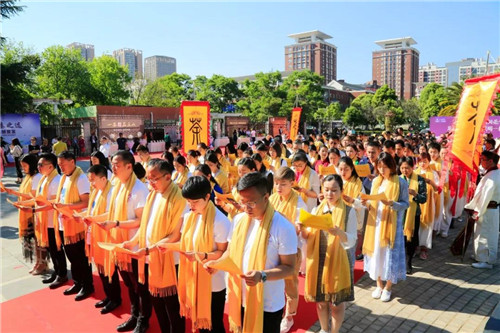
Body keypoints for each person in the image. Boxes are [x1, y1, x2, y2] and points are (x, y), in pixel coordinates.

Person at [204, 172, 297, 333]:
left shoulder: (282, 227)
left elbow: (289, 267)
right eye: (242, 202)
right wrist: (217, 265)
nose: (246, 208)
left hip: (268, 304)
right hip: (240, 297)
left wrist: (262, 275)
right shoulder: (239, 220)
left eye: (252, 203)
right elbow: (231, 253)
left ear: (266, 197)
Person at [123, 159, 187, 333]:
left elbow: (176, 235)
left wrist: (151, 249)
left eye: (154, 178)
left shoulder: (179, 199)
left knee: (172, 307)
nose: (150, 182)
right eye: (148, 179)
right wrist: (132, 242)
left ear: (168, 177)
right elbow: (145, 225)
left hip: (170, 262)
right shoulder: (152, 195)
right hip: (152, 258)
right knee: (157, 303)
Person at [300, 174, 357, 333]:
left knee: (337, 303)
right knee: (321, 301)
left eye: (334, 190)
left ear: (341, 190)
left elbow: (352, 240)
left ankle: (334, 331)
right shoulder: (316, 209)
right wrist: (301, 228)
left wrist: (339, 232)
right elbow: (307, 237)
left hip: (338, 261)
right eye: (326, 190)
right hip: (318, 259)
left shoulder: (348, 211)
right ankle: (324, 329)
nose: (330, 194)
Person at [175, 176, 230, 333]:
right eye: (188, 201)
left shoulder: (219, 221)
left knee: (213, 323)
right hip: (193, 277)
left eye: (195, 202)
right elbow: (186, 245)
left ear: (207, 197)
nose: (191, 206)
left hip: (212, 281)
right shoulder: (189, 217)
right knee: (200, 324)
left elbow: (223, 252)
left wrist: (202, 255)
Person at [103, 150, 150, 333]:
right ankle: (134, 314)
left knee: (140, 286)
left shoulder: (139, 189)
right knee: (129, 285)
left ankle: (143, 320)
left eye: (117, 164)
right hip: (120, 244)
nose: (113, 168)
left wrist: (116, 224)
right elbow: (112, 212)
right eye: (112, 164)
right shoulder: (117, 186)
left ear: (129, 166)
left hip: (134, 246)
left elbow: (141, 221)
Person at [358, 152, 409, 302]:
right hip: (376, 223)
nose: (381, 170)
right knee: (377, 255)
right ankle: (378, 285)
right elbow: (372, 202)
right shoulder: (376, 182)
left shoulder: (400, 183)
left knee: (389, 254)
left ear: (392, 167)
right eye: (379, 167)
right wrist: (366, 203)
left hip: (391, 225)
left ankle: (388, 287)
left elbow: (406, 204)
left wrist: (392, 204)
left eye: (385, 167)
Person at [268, 167, 307, 333]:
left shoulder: (299, 203)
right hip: (272, 247)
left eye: (283, 184)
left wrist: (281, 218)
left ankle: (289, 315)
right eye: (276, 183)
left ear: (292, 183)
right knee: (273, 280)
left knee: (290, 284)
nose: (279, 187)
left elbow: (297, 230)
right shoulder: (271, 198)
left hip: (291, 249)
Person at [80, 164, 121, 314]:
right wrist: (84, 215)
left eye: (93, 180)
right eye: (89, 180)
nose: (91, 184)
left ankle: (115, 299)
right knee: (101, 269)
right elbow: (93, 210)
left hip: (106, 236)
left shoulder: (111, 193)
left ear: (103, 178)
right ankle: (108, 296)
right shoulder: (97, 191)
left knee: (109, 269)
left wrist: (92, 218)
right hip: (95, 234)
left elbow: (110, 214)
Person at [52, 151, 93, 301]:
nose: (60, 166)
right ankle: (78, 282)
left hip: (77, 226)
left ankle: (87, 285)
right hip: (64, 224)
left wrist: (66, 207)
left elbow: (86, 202)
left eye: (63, 163)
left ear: (72, 162)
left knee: (81, 258)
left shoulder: (81, 179)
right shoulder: (64, 178)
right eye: (59, 164)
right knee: (72, 258)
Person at [2, 154, 44, 272]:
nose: (23, 168)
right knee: (32, 239)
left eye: (25, 166)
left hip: (34, 212)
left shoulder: (36, 177)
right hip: (27, 211)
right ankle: (38, 263)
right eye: (22, 166)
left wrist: (18, 198)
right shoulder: (29, 177)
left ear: (32, 165)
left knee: (38, 240)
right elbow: (25, 194)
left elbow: (34, 197)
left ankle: (42, 263)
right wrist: (12, 192)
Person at [465, 151, 500, 269]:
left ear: (490, 161)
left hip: (487, 209)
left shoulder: (493, 176)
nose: (481, 161)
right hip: (488, 209)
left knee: (486, 235)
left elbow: (485, 197)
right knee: (481, 233)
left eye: (483, 159)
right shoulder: (492, 174)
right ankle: (480, 256)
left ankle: (486, 260)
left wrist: (477, 211)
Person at [399, 157, 427, 274]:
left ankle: (408, 262)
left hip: (413, 213)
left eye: (407, 168)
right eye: (402, 168)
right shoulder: (398, 179)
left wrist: (415, 194)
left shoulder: (420, 180)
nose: (405, 170)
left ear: (412, 167)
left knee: (411, 239)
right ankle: (400, 261)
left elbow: (424, 199)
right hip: (400, 213)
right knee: (401, 239)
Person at [415, 152, 439, 260]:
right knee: (417, 226)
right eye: (421, 162)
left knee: (427, 227)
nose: (423, 164)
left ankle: (424, 249)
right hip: (417, 204)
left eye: (425, 161)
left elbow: (437, 189)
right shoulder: (415, 173)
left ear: (429, 161)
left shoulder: (433, 173)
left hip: (429, 204)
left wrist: (429, 182)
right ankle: (415, 247)